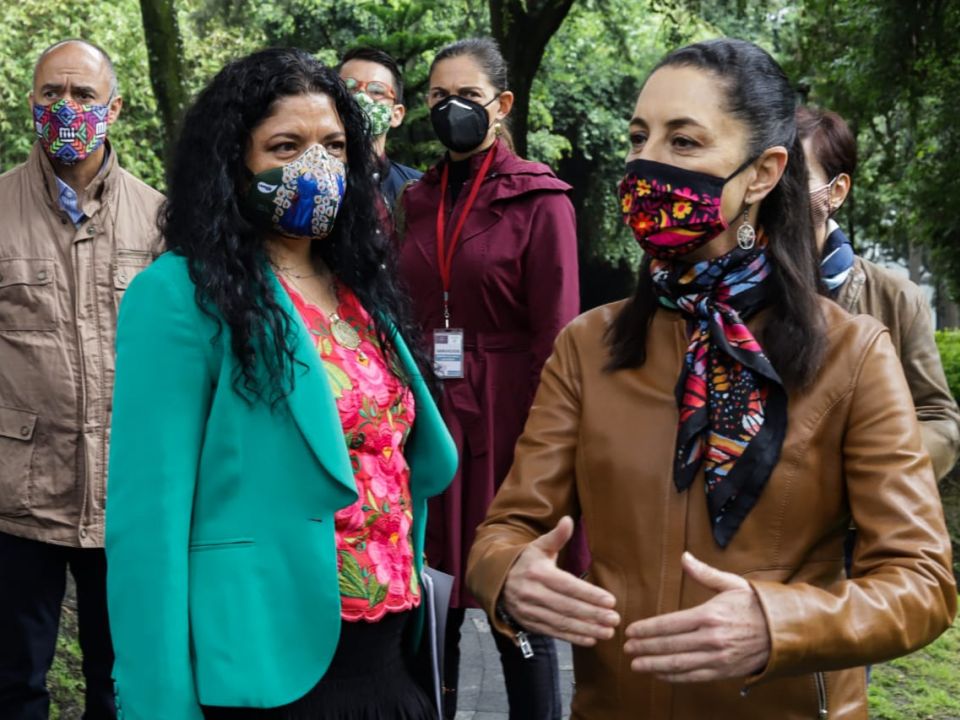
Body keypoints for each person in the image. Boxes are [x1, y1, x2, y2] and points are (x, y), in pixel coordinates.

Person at [466, 38, 957, 719]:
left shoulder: (853, 352)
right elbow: (506, 528)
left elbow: (921, 584)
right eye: (640, 137)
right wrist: (509, 575)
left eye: (684, 141)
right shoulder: (589, 345)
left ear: (762, 174)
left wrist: (779, 622)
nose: (647, 163)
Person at [104, 48, 458, 720]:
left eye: (333, 145)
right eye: (286, 145)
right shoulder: (178, 296)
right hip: (267, 673)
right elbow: (146, 528)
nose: (316, 166)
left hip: (390, 665)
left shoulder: (361, 294)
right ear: (233, 160)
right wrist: (158, 706)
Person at [398, 37, 581, 720]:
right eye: (439, 98)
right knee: (427, 600)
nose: (453, 111)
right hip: (426, 412)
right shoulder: (412, 201)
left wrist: (545, 452)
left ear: (502, 105)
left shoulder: (541, 201)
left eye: (468, 97)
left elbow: (557, 337)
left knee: (513, 600)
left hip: (508, 416)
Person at [0, 39, 163, 720]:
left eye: (83, 95)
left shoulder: (159, 220)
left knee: (119, 683)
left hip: (126, 496)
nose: (64, 108)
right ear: (30, 103)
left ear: (115, 108)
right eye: (50, 94)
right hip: (18, 497)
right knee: (12, 685)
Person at [798, 105, 960, 480]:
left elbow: (938, 419)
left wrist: (875, 468)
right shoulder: (733, 288)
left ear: (836, 190)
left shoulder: (896, 297)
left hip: (859, 530)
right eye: (771, 175)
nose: (779, 193)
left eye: (797, 177)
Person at [338, 46, 421, 210]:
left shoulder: (418, 190)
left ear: (396, 114)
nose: (360, 98)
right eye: (348, 89)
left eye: (376, 91)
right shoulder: (314, 183)